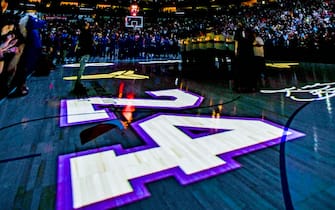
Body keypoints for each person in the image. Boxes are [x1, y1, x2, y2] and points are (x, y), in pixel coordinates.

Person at [73, 21, 93, 94]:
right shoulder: (86, 34)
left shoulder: (83, 34)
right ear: (85, 26)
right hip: (85, 52)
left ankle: (78, 83)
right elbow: (88, 42)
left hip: (83, 52)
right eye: (88, 25)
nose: (89, 26)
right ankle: (78, 83)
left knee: (81, 68)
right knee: (81, 69)